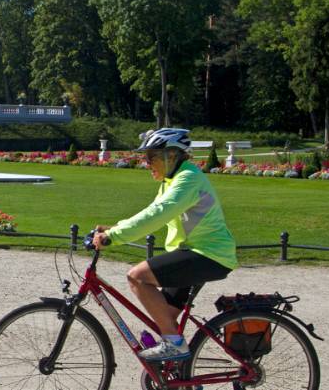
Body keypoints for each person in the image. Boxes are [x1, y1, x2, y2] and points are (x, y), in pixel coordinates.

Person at [90, 128, 237, 362]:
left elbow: (157, 214)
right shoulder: (172, 181)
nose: (147, 163)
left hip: (208, 254)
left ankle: (174, 346)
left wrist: (115, 236)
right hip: (194, 253)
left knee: (137, 277)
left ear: (172, 155)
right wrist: (113, 228)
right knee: (164, 319)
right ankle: (182, 377)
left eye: (152, 157)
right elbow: (151, 212)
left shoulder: (187, 179)